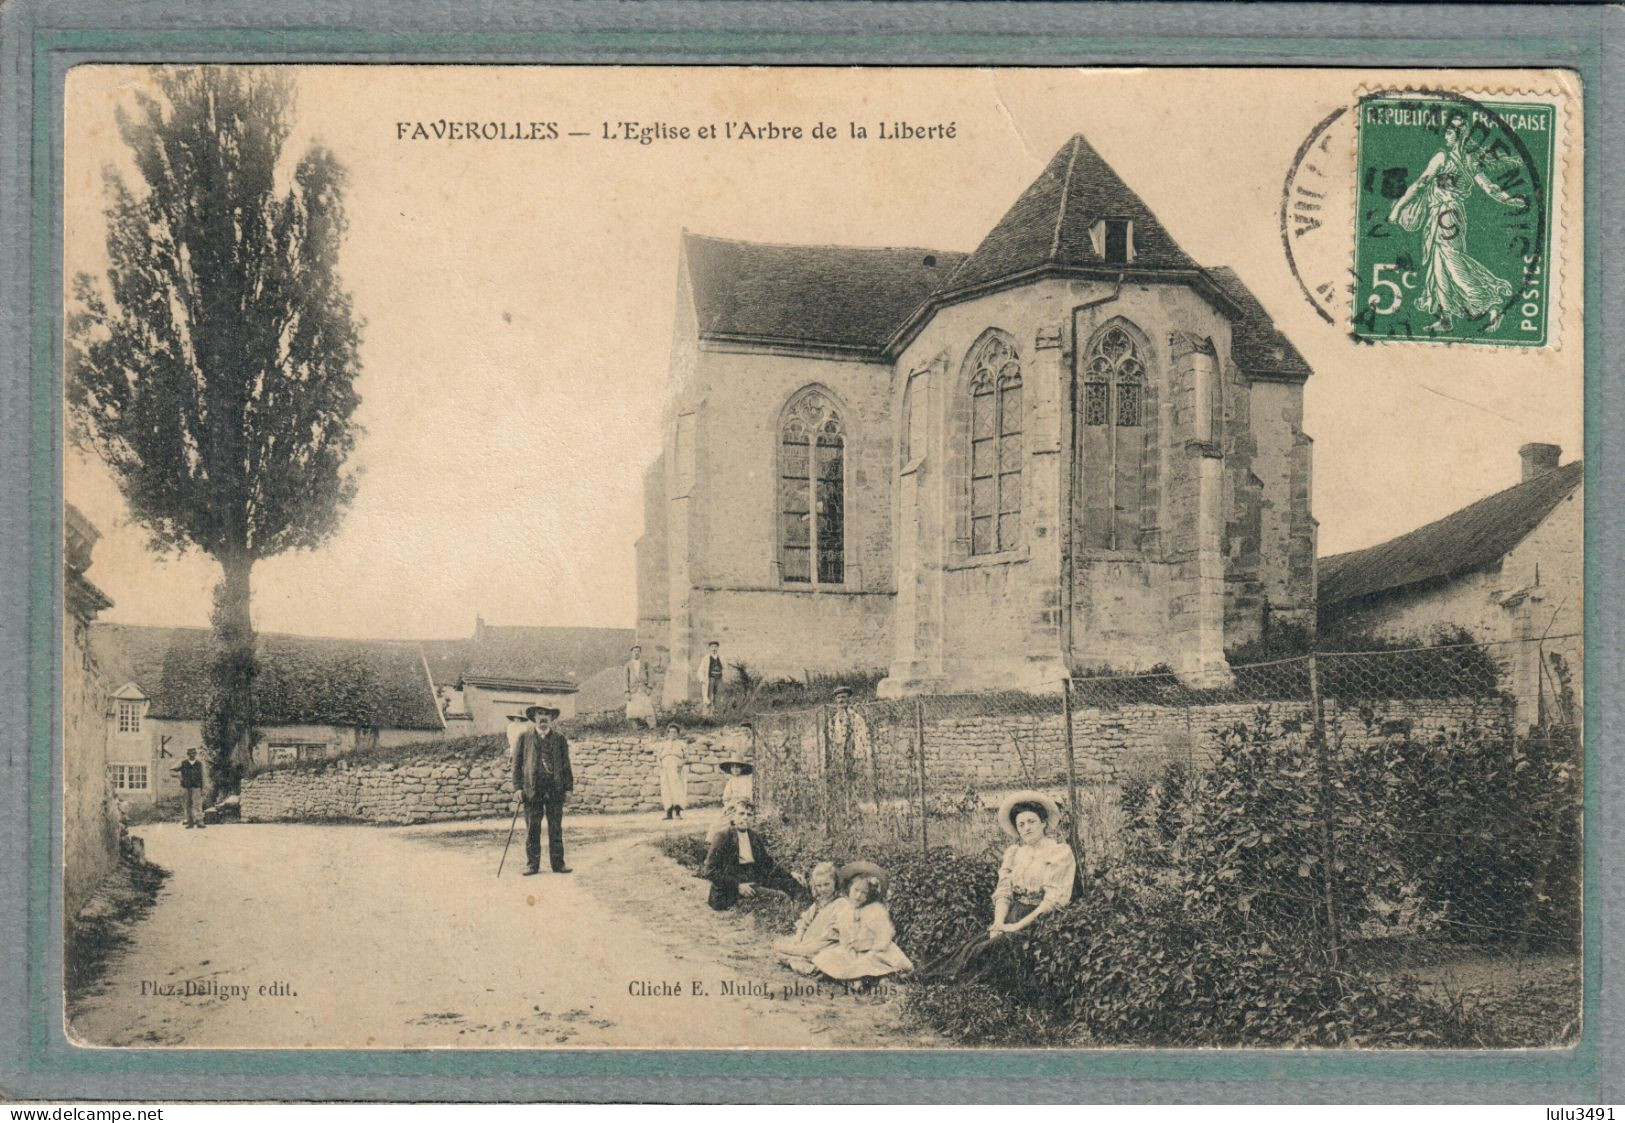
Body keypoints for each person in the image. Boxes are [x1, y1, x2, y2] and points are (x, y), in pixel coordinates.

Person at [914, 791, 1077, 982]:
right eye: (1021, 825)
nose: (1027, 828)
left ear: (1043, 823)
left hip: (1040, 919)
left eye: (1031, 822)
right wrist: (999, 923)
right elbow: (1004, 892)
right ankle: (937, 979)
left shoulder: (1058, 852)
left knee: (996, 949)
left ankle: (962, 985)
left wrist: (1016, 926)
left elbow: (1052, 901)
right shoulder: (1015, 853)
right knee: (976, 945)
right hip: (1013, 913)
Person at [1385, 110, 1522, 333]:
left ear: (1458, 136)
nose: (1446, 136)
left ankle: (1492, 305)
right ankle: (1446, 317)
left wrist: (1399, 207)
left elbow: (1420, 184)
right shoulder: (1469, 161)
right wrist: (1509, 199)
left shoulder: (1444, 158)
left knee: (1452, 263)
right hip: (1449, 215)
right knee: (1439, 266)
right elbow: (1490, 188)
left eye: (1450, 132)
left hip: (1445, 217)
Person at [811, 862, 913, 988]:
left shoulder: (875, 910)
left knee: (869, 963)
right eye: (856, 890)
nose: (858, 896)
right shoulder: (845, 911)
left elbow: (884, 937)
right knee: (829, 956)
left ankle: (874, 978)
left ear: (869, 894)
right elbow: (845, 938)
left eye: (864, 893)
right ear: (849, 889)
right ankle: (851, 977)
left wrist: (873, 951)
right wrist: (850, 951)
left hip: (875, 951)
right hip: (854, 951)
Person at [699, 800, 804, 911]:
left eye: (749, 815)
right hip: (729, 889)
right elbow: (709, 871)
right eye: (741, 813)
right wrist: (737, 886)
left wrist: (790, 874)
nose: (745, 818)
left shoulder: (754, 837)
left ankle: (803, 914)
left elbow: (768, 863)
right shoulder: (723, 837)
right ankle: (784, 917)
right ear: (733, 816)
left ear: (753, 818)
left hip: (753, 879)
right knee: (781, 897)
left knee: (795, 885)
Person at [511, 704, 574, 875]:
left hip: (555, 789)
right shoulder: (524, 738)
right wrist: (517, 788)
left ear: (552, 718)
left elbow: (566, 765)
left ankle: (558, 864)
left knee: (555, 828)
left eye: (547, 714)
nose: (543, 717)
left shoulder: (559, 739)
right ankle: (532, 864)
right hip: (532, 790)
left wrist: (568, 789)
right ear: (534, 717)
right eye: (540, 714)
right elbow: (516, 765)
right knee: (532, 828)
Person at [773, 861, 852, 974]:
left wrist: (810, 947)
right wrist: (798, 938)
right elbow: (804, 923)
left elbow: (835, 932)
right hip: (808, 943)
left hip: (826, 944)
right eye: (819, 886)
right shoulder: (818, 903)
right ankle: (807, 964)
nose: (823, 889)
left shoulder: (841, 903)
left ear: (835, 883)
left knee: (824, 954)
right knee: (778, 946)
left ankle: (808, 962)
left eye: (826, 884)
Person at [708, 750, 755, 841]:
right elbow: (726, 797)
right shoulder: (731, 781)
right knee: (716, 823)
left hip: (743, 805)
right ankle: (713, 841)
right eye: (733, 767)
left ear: (743, 768)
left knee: (735, 819)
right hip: (731, 805)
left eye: (738, 767)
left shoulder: (746, 780)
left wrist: (740, 802)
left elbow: (747, 795)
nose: (735, 769)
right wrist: (728, 805)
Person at [655, 722, 689, 820]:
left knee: (677, 789)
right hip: (665, 767)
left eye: (675, 732)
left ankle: (678, 813)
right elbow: (658, 757)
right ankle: (668, 813)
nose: (672, 734)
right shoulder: (663, 744)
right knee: (666, 789)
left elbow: (687, 758)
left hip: (676, 767)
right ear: (668, 733)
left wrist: (680, 764)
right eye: (671, 732)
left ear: (678, 734)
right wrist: (660, 764)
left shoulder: (682, 744)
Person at [172, 748, 206, 829]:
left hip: (196, 786)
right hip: (185, 787)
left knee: (197, 804)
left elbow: (203, 776)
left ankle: (199, 821)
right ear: (187, 754)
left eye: (193, 753)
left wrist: (203, 788)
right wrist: (179, 776)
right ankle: (190, 822)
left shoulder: (199, 764)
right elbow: (172, 770)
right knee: (187, 804)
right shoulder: (183, 763)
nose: (192, 755)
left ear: (196, 754)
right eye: (190, 753)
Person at [624, 645, 656, 729]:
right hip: (633, 690)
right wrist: (626, 692)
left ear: (640, 653)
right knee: (632, 709)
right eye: (634, 651)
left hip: (643, 689)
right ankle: (635, 727)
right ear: (632, 653)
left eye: (638, 651)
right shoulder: (628, 665)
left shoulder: (645, 663)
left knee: (647, 707)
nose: (636, 653)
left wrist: (649, 687)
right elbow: (625, 679)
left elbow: (651, 676)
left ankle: (652, 726)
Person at [695, 640, 725, 716]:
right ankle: (707, 715)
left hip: (719, 679)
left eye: (715, 647)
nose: (714, 649)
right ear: (709, 648)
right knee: (709, 696)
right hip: (710, 679)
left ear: (718, 648)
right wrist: (702, 679)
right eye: (712, 647)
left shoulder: (721, 658)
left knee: (718, 696)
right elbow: (700, 670)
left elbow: (724, 668)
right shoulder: (706, 658)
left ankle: (717, 714)